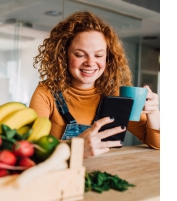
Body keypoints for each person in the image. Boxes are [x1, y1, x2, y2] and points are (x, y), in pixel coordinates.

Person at [29, 11, 160, 158]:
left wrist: (154, 113)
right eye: (80, 54)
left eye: (98, 55)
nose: (90, 63)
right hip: (63, 176)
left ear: (108, 58)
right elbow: (32, 147)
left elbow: (158, 143)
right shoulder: (46, 93)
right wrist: (76, 147)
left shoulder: (115, 94)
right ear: (63, 55)